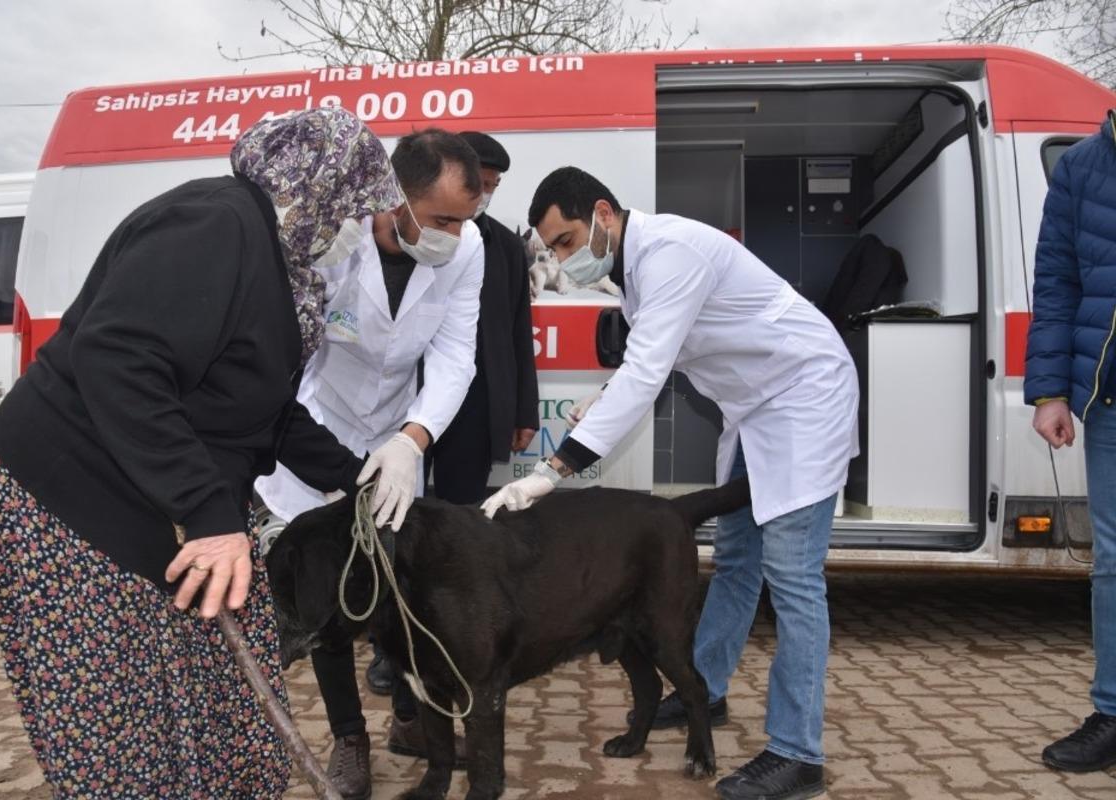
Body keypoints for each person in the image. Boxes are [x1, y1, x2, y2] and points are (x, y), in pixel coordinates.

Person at [0, 108, 407, 798]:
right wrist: (210, 516)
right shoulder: (218, 224)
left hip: (155, 491)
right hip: (71, 494)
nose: (352, 228)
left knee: (220, 693)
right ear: (315, 184)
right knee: (123, 707)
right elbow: (120, 358)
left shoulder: (281, 266)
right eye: (352, 208)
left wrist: (357, 476)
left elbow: (259, 404)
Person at [481, 167, 859, 800]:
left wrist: (553, 471)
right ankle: (702, 694)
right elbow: (646, 359)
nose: (564, 259)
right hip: (755, 409)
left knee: (793, 577)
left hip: (805, 395)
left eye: (569, 241)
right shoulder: (633, 271)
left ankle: (798, 754)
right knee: (736, 559)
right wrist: (601, 401)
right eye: (553, 250)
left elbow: (649, 369)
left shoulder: (670, 253)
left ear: (603, 212)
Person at [255, 128, 484, 800]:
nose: (455, 234)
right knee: (329, 594)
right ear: (393, 198)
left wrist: (413, 440)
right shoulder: (336, 236)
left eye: (464, 221)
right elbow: (290, 350)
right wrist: (325, 461)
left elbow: (453, 355)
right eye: (442, 218)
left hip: (393, 429)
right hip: (313, 423)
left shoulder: (464, 248)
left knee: (399, 580)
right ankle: (350, 738)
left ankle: (412, 721)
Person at [1026, 110, 1116, 774]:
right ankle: (1112, 713)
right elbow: (1056, 281)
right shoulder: (1080, 167)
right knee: (1112, 563)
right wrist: (1051, 390)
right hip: (1108, 395)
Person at [424, 130, 539, 503]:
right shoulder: (417, 232)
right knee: (400, 502)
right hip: (412, 393)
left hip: (476, 403)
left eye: (493, 186)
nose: (485, 193)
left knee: (461, 515)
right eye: (479, 183)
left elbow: (518, 331)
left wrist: (523, 411)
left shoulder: (506, 247)